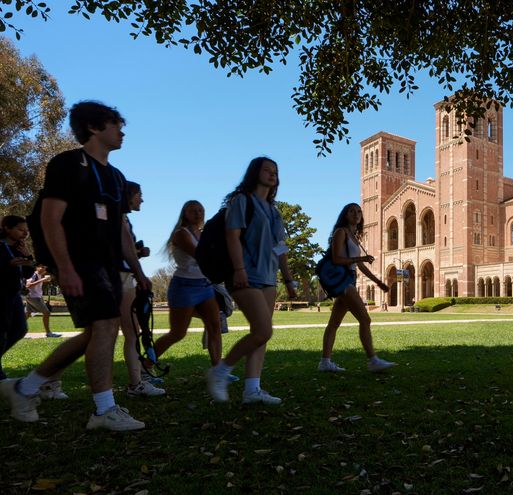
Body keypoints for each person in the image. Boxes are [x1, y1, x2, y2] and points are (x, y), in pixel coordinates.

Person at [0, 101, 151, 431]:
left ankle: (23, 388)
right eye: (115, 124)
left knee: (96, 334)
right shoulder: (68, 164)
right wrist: (64, 267)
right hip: (80, 261)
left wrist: (138, 272)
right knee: (107, 326)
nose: (121, 131)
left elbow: (121, 230)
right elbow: (49, 218)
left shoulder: (116, 177)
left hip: (108, 265)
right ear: (94, 128)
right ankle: (103, 410)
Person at [205, 157, 297, 404]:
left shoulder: (273, 211)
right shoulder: (241, 201)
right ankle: (221, 371)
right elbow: (232, 236)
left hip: (268, 277)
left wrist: (288, 280)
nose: (272, 174)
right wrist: (238, 268)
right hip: (245, 275)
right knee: (263, 330)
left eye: (275, 171)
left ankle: (252, 390)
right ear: (255, 173)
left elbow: (280, 248)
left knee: (261, 334)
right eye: (267, 170)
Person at [141, 200, 226, 389]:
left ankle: (217, 372)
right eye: (193, 210)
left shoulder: (203, 234)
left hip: (204, 285)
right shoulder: (181, 234)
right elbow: (201, 255)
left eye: (201, 210)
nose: (198, 213)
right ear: (184, 213)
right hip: (184, 286)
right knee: (178, 333)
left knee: (215, 326)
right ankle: (145, 367)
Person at [318, 203, 394, 373]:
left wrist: (378, 282)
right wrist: (359, 259)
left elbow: (361, 266)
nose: (356, 214)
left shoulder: (355, 237)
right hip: (343, 281)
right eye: (351, 211)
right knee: (365, 319)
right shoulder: (341, 233)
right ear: (345, 215)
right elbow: (337, 259)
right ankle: (372, 360)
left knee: (334, 323)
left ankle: (325, 361)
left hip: (349, 280)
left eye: (359, 211)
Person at [118, 181, 165, 397]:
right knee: (129, 333)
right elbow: (118, 252)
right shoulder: (119, 218)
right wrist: (139, 272)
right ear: (128, 195)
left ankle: (138, 379)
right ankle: (137, 382)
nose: (142, 199)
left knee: (132, 332)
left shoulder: (122, 218)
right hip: (120, 278)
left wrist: (137, 255)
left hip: (124, 277)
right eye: (139, 194)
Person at [1, 216, 34, 382]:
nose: (25, 233)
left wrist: (28, 257)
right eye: (21, 229)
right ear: (7, 228)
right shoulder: (1, 246)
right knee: (2, 331)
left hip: (14, 294)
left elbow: (28, 273)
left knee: (20, 329)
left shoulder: (18, 248)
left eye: (26, 231)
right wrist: (9, 264)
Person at [24, 265, 62, 338]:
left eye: (45, 267)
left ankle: (15, 332)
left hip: (35, 296)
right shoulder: (34, 274)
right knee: (46, 312)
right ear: (38, 267)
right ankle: (48, 333)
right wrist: (42, 280)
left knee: (27, 315)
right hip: (34, 297)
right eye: (43, 267)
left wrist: (45, 280)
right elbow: (28, 285)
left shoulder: (39, 275)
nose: (45, 269)